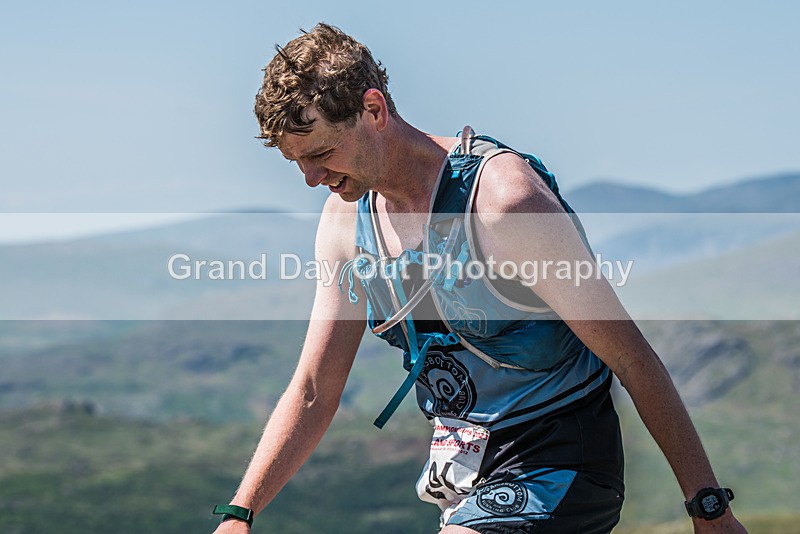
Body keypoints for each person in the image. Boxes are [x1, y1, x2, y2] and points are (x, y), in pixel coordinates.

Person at [211, 23, 747, 533]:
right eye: (296, 163)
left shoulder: (503, 203)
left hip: (561, 460)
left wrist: (708, 508)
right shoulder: (345, 223)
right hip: (464, 481)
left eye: (322, 154)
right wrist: (241, 512)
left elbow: (630, 355)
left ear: (373, 109)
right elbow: (312, 391)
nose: (311, 179)